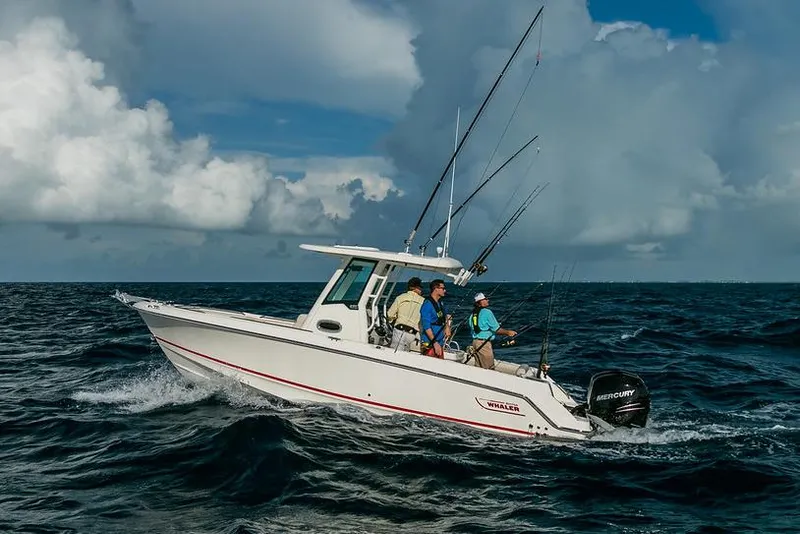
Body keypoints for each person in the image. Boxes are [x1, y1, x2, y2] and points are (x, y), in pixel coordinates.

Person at [469, 292, 517, 369]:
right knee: (488, 368)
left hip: (475, 343)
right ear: (481, 302)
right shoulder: (487, 312)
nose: (488, 300)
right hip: (484, 344)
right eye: (485, 299)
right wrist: (508, 332)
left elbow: (474, 328)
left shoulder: (473, 314)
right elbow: (496, 329)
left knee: (478, 368)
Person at [386, 277, 425, 352]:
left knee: (395, 353)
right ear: (415, 288)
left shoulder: (400, 297)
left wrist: (393, 320)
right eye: (420, 288)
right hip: (412, 334)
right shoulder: (423, 301)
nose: (421, 290)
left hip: (399, 331)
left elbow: (390, 314)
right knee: (405, 354)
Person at [419, 279, 451, 358]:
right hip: (430, 343)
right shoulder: (427, 305)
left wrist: (447, 327)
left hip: (440, 342)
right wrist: (434, 342)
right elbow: (426, 326)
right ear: (436, 289)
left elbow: (444, 316)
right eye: (443, 288)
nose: (445, 290)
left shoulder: (440, 303)